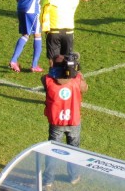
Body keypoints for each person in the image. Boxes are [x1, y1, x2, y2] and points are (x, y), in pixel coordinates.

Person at [41, 54, 88, 187]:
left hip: (56, 123)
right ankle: (73, 176)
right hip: (73, 121)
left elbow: (46, 77)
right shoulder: (77, 80)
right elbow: (85, 88)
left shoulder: (47, 80)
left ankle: (48, 180)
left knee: (52, 151)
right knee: (74, 150)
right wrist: (78, 72)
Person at [9, 0, 57, 73]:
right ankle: (31, 64)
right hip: (32, 9)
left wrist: (22, 3)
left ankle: (15, 61)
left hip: (21, 7)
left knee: (26, 34)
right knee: (37, 35)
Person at [40, 0, 91, 68]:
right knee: (67, 59)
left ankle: (53, 78)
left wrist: (45, 30)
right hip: (68, 32)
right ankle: (65, 80)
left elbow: (43, 14)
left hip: (54, 31)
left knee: (53, 60)